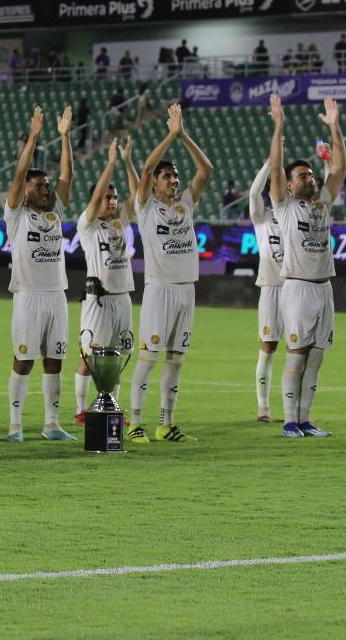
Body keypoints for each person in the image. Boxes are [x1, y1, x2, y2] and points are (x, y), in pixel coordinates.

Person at [128, 103, 213, 444]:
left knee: (175, 361)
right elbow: (147, 167)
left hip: (186, 290)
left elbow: (206, 170)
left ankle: (166, 423)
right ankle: (134, 423)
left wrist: (185, 136)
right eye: (168, 176)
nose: (174, 180)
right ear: (155, 183)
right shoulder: (146, 206)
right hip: (159, 290)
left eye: (176, 176)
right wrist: (169, 135)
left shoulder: (185, 204)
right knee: (148, 360)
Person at [267, 94, 346, 439]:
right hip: (297, 286)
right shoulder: (284, 206)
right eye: (302, 176)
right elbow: (274, 167)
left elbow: (340, 168)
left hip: (324, 287)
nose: (310, 180)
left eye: (312, 175)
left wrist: (335, 128)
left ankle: (306, 419)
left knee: (316, 356)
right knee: (296, 352)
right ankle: (288, 420)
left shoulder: (323, 202)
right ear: (288, 184)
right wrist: (279, 125)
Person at [3, 104, 77, 443]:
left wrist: (64, 138)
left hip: (57, 295)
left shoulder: (56, 211)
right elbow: (18, 176)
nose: (45, 190)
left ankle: (51, 424)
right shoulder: (17, 213)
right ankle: (15, 425)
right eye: (39, 186)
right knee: (23, 360)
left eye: (46, 186)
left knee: (55, 360)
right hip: (28, 296)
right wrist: (33, 138)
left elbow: (68, 177)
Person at [74, 136, 137, 423]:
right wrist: (110, 163)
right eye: (107, 197)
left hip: (122, 297)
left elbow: (136, 197)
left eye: (114, 197)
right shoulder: (87, 225)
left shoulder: (120, 221)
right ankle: (79, 410)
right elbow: (98, 194)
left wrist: (127, 163)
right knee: (91, 355)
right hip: (97, 300)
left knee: (117, 356)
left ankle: (112, 406)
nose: (112, 201)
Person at [247, 159, 285, 422]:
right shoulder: (263, 217)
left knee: (301, 348)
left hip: (298, 286)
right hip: (271, 287)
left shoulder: (297, 213)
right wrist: (268, 164)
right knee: (268, 347)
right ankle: (263, 408)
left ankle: (299, 411)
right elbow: (252, 193)